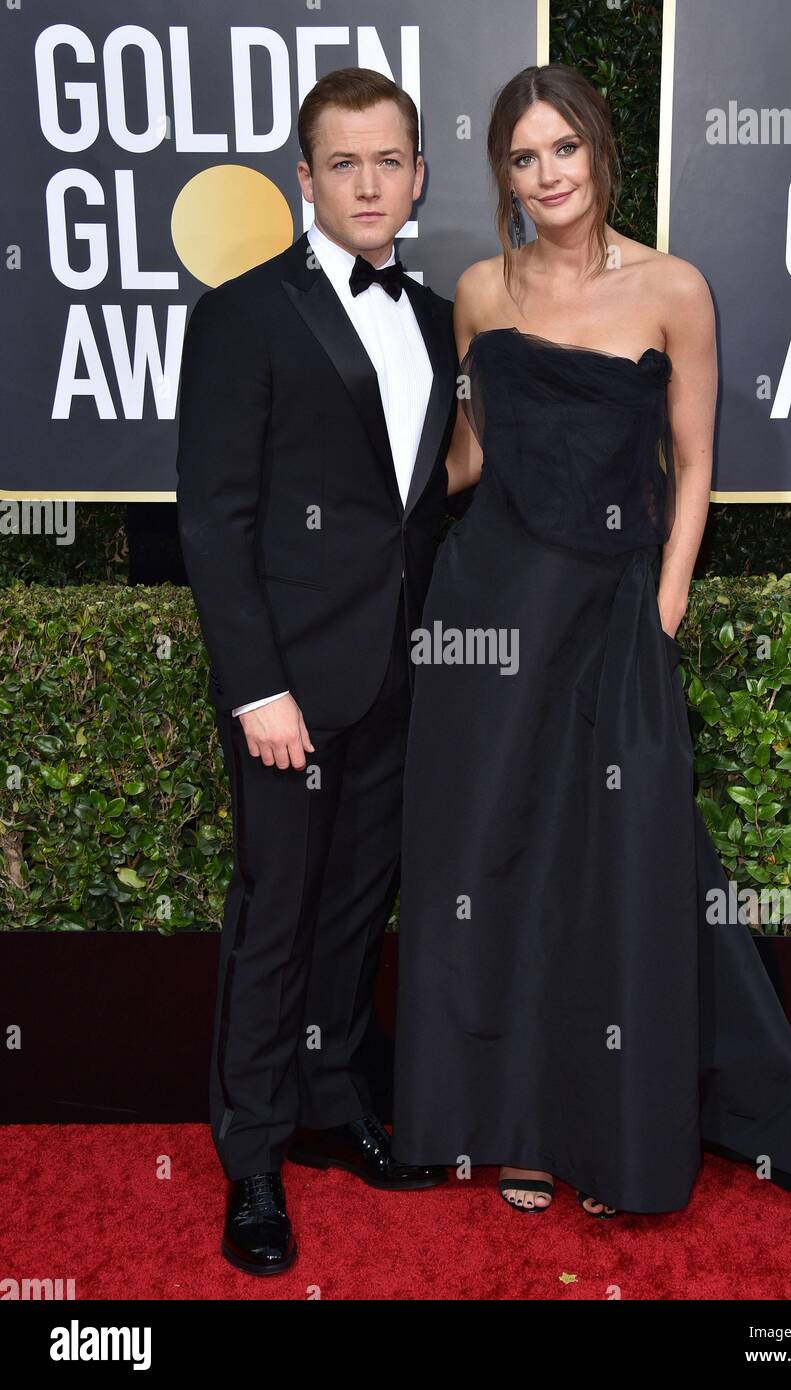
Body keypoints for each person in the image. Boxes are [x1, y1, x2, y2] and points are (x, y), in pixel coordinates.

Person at [390, 63, 791, 1218]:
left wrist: (665, 606)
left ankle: (612, 1123)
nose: (547, 176)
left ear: (600, 149)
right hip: (487, 609)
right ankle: (520, 1124)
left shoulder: (675, 288)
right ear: (505, 175)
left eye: (563, 151)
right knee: (492, 861)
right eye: (523, 159)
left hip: (610, 610)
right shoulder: (481, 292)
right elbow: (475, 460)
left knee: (610, 866)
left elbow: (694, 466)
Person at [176, 67, 458, 1274]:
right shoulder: (243, 315)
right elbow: (216, 518)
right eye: (341, 163)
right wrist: (256, 687)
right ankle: (249, 1158)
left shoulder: (441, 319)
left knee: (355, 910)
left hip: (403, 675)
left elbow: (424, 507)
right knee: (274, 917)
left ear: (418, 177)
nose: (367, 183)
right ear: (305, 178)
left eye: (387, 161)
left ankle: (335, 1105)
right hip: (288, 687)